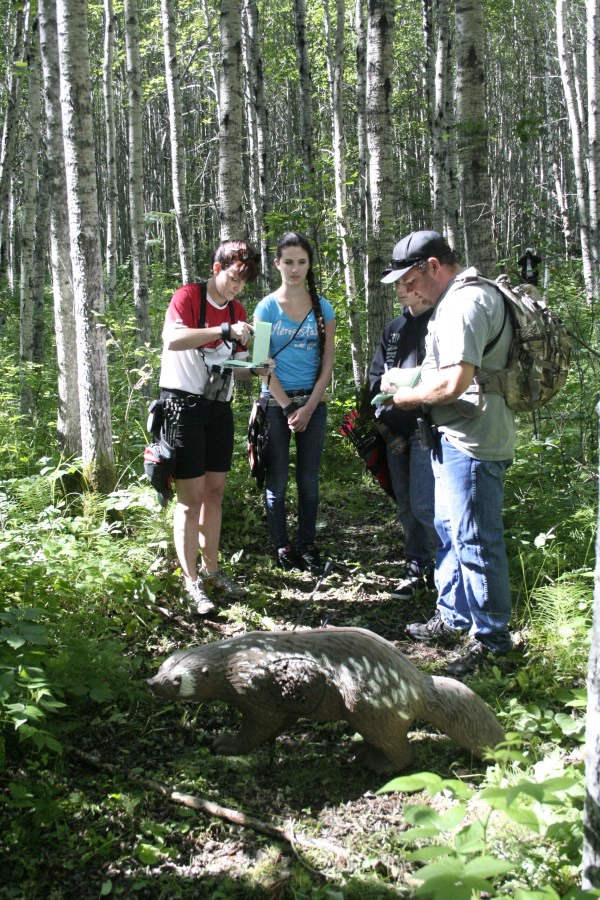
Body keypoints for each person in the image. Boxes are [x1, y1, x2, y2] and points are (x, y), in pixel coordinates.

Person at [380, 230, 515, 676]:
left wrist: (405, 397)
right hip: (453, 434)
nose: (408, 290)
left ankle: (492, 641)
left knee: (475, 538)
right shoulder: (454, 300)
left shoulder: (464, 303)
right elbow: (446, 369)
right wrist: (406, 378)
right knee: (448, 528)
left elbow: (455, 382)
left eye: (410, 280)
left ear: (433, 267)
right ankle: (454, 615)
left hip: (473, 440)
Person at [159, 239, 266, 614]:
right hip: (183, 405)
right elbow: (173, 339)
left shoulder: (238, 310)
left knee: (215, 492)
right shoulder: (189, 296)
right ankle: (191, 583)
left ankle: (212, 570)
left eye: (243, 283)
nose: (237, 288)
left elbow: (239, 367)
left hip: (219, 406)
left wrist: (257, 367)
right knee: (190, 499)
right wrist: (223, 330)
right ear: (217, 269)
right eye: (234, 279)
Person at [254, 232, 336, 573]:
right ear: (277, 264)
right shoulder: (266, 308)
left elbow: (328, 363)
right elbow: (260, 364)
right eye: (288, 262)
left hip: (312, 403)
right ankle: (282, 546)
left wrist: (309, 407)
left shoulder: (323, 308)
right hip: (276, 404)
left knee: (309, 481)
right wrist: (289, 407)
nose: (295, 268)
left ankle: (307, 544)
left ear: (309, 264)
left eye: (302, 262)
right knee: (277, 482)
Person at [369, 280, 437, 601]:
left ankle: (444, 568)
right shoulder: (393, 329)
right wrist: (383, 407)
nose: (400, 289)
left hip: (426, 427)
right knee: (406, 504)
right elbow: (374, 377)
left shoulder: (439, 322)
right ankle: (415, 566)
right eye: (396, 284)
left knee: (426, 503)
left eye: (407, 283)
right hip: (394, 430)